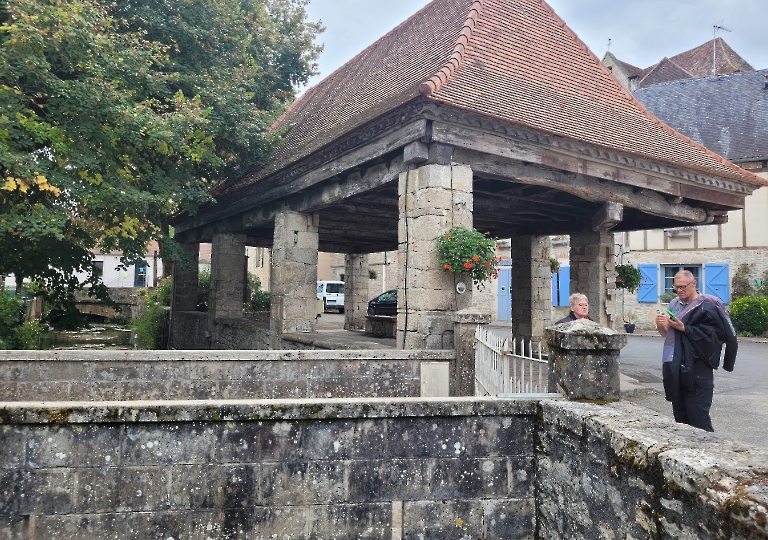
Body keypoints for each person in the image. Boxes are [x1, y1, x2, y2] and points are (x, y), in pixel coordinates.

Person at [654, 270, 738, 432]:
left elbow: (715, 337)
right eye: (676, 287)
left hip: (699, 369)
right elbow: (668, 336)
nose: (679, 291)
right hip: (677, 367)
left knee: (698, 417)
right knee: (681, 419)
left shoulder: (708, 305)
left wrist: (685, 328)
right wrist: (661, 324)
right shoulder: (674, 305)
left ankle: (710, 454)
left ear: (694, 284)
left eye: (683, 287)